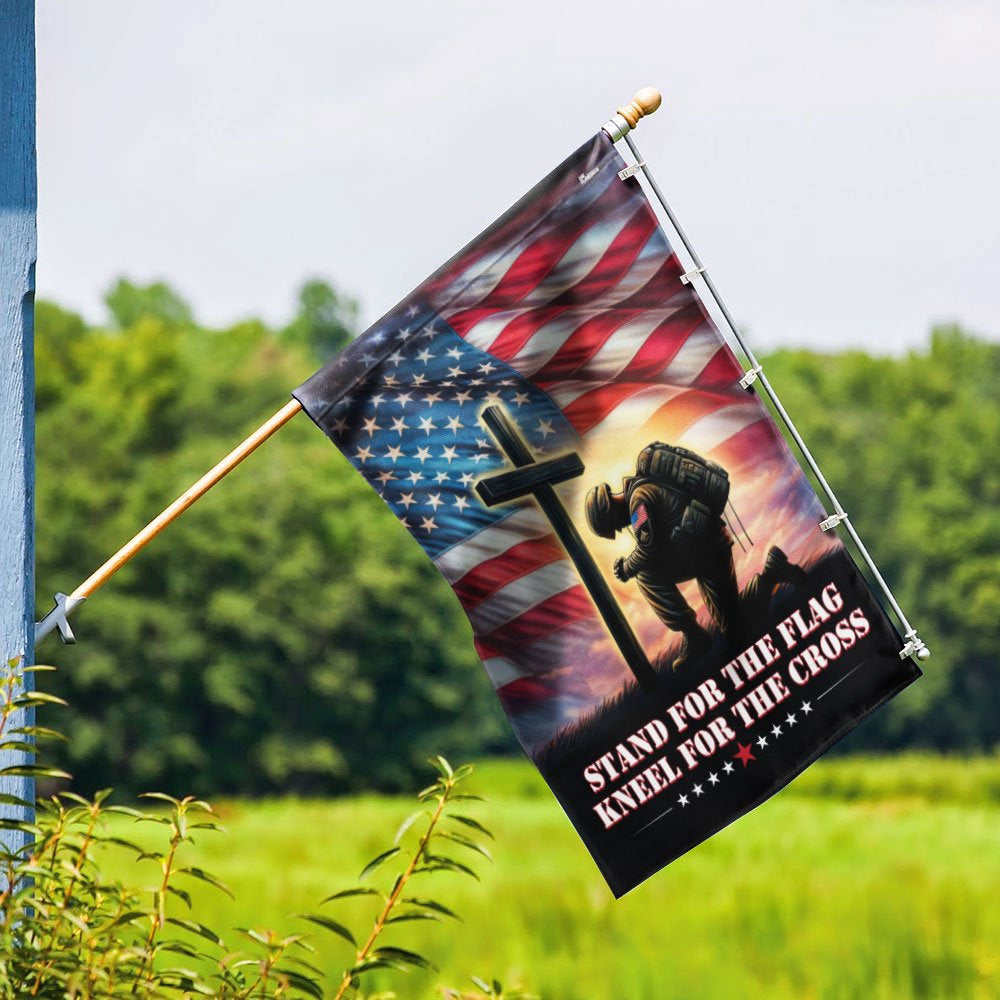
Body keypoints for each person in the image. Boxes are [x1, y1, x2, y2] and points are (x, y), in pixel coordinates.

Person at [586, 443, 806, 669]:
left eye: (614, 525)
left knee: (734, 628)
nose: (620, 528)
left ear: (609, 511)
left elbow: (647, 548)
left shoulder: (638, 502)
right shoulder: (641, 492)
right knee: (649, 574)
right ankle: (695, 633)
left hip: (708, 552)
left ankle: (771, 574)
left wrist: (626, 568)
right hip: (695, 552)